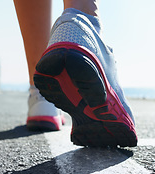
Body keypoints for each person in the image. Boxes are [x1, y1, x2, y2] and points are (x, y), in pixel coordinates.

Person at [13, 0, 137, 147]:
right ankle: (84, 19)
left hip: (57, 39)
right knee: (81, 10)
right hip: (81, 35)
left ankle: (39, 97)